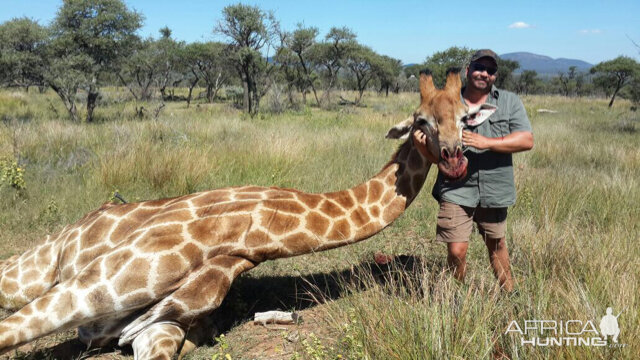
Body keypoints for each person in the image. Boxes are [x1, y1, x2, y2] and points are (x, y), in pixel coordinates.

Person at [432, 49, 534, 292]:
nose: (483, 73)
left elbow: (526, 140)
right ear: (468, 71)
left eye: (490, 70)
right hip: (456, 187)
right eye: (479, 67)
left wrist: (487, 143)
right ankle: (456, 298)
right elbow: (427, 136)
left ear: (495, 76)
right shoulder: (446, 100)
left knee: (497, 245)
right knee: (456, 249)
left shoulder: (509, 101)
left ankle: (511, 296)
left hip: (495, 188)